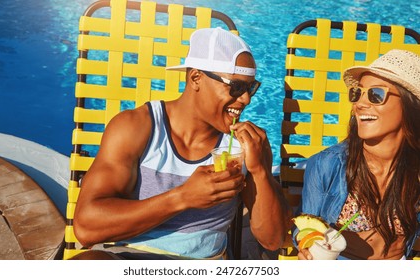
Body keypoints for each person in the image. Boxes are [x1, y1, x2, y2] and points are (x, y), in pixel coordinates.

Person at [71, 27, 292, 260]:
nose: (245, 99)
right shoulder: (137, 128)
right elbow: (86, 229)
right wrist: (182, 198)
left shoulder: (246, 146)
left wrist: (259, 171)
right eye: (236, 87)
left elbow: (273, 239)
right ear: (196, 78)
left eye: (250, 88)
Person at [296, 49, 420, 260]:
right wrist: (308, 249)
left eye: (376, 94)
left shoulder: (415, 169)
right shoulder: (327, 165)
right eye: (357, 93)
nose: (360, 104)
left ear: (409, 105)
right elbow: (305, 228)